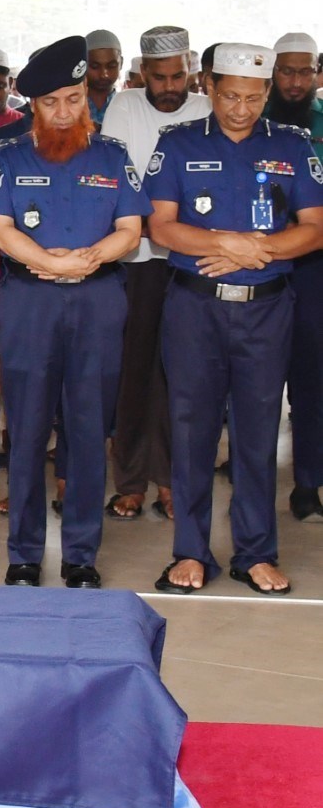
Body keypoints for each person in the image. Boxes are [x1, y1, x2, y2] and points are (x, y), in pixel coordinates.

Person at [146, 43, 323, 596]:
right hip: (194, 306)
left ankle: (255, 552)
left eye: (252, 97)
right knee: (192, 427)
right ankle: (191, 552)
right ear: (208, 87)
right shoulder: (176, 145)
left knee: (258, 430)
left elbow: (314, 227)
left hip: (267, 307)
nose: (241, 109)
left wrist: (256, 253)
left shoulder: (293, 147)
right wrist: (228, 242)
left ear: (267, 92)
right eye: (229, 96)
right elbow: (162, 227)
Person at [0, 36, 151, 589]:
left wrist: (87, 261)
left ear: (86, 99)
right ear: (34, 104)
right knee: (27, 430)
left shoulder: (111, 155)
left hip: (98, 301)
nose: (63, 112)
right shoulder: (9, 155)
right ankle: (25, 554)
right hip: (30, 302)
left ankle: (81, 553)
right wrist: (49, 263)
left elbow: (130, 229)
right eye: (51, 102)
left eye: (74, 99)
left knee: (86, 427)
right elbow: (1, 232)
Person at [100, 26, 211, 521]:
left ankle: (171, 481)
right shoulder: (125, 107)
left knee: (184, 378)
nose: (168, 88)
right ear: (142, 72)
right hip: (137, 261)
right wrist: (157, 224)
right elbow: (117, 179)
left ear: (190, 69)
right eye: (159, 78)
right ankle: (130, 482)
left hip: (192, 262)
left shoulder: (207, 108)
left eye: (177, 76)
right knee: (134, 373)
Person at [268, 32, 323, 522]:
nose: (296, 81)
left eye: (305, 72)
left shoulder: (320, 123)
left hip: (311, 267)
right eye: (287, 71)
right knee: (251, 381)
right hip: (248, 263)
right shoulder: (249, 119)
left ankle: (307, 482)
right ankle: (250, 479)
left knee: (310, 375)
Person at [85, 30, 124, 124]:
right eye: (95, 66)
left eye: (111, 66)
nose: (104, 74)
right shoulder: (71, 107)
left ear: (121, 63)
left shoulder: (128, 106)